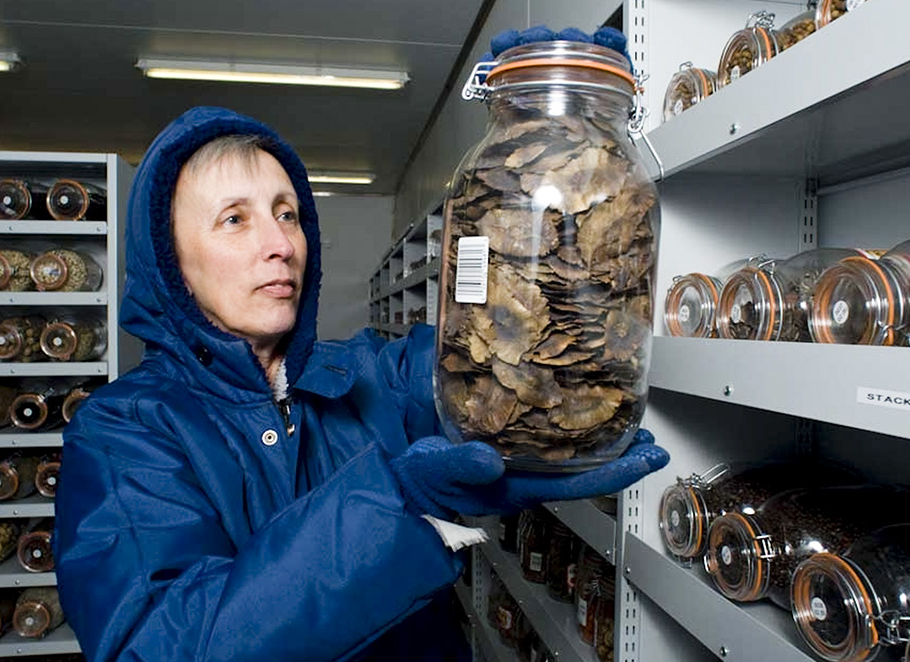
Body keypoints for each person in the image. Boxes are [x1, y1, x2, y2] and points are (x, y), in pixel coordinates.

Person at [54, 105, 669, 662]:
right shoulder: (122, 431)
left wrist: (562, 122)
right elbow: (166, 647)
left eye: (286, 214)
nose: (279, 244)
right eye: (234, 220)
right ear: (172, 264)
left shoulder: (365, 373)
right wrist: (396, 508)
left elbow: (495, 365)